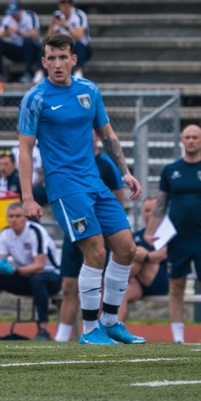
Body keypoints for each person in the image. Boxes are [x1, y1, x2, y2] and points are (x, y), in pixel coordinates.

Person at [17, 33, 145, 346]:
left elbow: (108, 134)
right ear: (44, 62)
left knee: (127, 248)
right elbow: (24, 149)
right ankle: (89, 331)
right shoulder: (35, 98)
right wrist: (28, 198)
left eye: (64, 57)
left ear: (74, 60)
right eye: (51, 58)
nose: (58, 64)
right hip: (64, 186)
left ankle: (111, 322)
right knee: (96, 252)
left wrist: (125, 172)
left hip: (94, 182)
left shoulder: (89, 90)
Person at [144, 124, 201, 345]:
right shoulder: (170, 170)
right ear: (181, 140)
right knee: (176, 287)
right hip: (177, 238)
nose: (191, 141)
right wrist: (150, 231)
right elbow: (161, 205)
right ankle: (178, 339)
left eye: (195, 137)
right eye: (187, 137)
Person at [54, 132, 125, 343]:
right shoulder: (71, 162)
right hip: (74, 232)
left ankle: (97, 329)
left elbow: (117, 201)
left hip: (98, 234)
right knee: (68, 286)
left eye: (92, 134)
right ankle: (61, 337)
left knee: (98, 283)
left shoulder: (105, 165)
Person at [0, 202, 61, 341]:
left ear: (25, 217)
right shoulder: (5, 233)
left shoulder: (36, 231)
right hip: (25, 276)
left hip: (51, 275)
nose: (14, 219)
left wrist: (14, 271)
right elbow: (0, 257)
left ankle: (43, 329)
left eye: (18, 216)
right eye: (11, 216)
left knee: (37, 279)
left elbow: (39, 266)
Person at [118, 195, 169, 322]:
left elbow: (163, 254)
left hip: (160, 281)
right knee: (121, 293)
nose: (150, 214)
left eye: (153, 210)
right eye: (147, 211)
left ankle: (114, 280)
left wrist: (145, 256)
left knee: (138, 256)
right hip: (137, 282)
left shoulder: (166, 232)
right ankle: (115, 329)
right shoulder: (137, 235)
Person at [0, 0, 41, 84]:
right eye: (12, 13)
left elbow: (34, 36)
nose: (14, 16)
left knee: (27, 42)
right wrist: (6, 32)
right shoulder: (7, 18)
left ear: (21, 10)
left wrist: (19, 32)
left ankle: (28, 73)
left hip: (31, 50)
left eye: (15, 13)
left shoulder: (30, 16)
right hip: (16, 50)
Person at [45, 0, 91, 78]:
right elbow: (48, 38)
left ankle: (78, 72)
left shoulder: (79, 15)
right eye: (62, 5)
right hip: (63, 47)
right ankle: (41, 73)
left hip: (80, 47)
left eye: (66, 5)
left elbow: (79, 36)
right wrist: (53, 25)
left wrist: (66, 26)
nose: (63, 8)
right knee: (48, 47)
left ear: (71, 6)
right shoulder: (57, 15)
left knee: (79, 45)